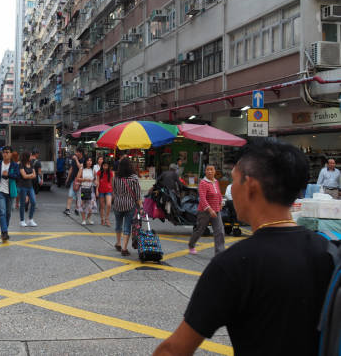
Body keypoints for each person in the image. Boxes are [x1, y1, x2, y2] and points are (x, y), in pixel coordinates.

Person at [154, 138, 335, 355]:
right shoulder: (329, 251)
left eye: (234, 180)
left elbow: (174, 350)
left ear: (250, 186)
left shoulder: (233, 265)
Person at [188, 165, 225, 255]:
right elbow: (203, 199)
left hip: (216, 210)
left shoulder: (216, 182)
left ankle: (220, 253)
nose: (209, 171)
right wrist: (210, 210)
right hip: (204, 211)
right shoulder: (203, 183)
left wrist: (221, 203)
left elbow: (219, 194)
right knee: (200, 230)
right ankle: (191, 245)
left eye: (211, 170)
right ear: (205, 171)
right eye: (207, 170)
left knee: (219, 231)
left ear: (215, 171)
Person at [112, 158, 140, 256]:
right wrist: (140, 204)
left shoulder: (116, 177)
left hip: (117, 204)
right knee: (127, 226)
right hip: (130, 205)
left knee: (118, 224)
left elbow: (114, 191)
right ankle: (124, 248)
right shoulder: (134, 178)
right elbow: (137, 194)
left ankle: (118, 243)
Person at [0, 146, 20, 241]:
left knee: (8, 213)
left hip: (10, 192)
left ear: (11, 154)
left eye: (7, 152)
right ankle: (4, 232)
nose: (5, 154)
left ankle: (5, 229)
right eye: (4, 152)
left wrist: (8, 175)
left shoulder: (15, 165)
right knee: (2, 212)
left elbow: (17, 177)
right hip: (0, 191)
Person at [17, 151, 38, 227]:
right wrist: (30, 175)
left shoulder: (31, 164)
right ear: (26, 157)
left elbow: (34, 175)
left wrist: (29, 175)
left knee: (33, 202)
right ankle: (22, 220)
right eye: (30, 156)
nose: (31, 157)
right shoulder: (21, 165)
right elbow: (24, 176)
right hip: (22, 187)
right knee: (22, 204)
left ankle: (30, 219)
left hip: (30, 186)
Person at [64, 147, 84, 216]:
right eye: (76, 152)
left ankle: (77, 209)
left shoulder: (83, 160)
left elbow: (80, 167)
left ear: (80, 153)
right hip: (73, 179)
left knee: (78, 196)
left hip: (80, 180)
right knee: (70, 194)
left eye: (77, 152)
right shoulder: (74, 160)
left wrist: (76, 160)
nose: (75, 153)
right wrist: (67, 178)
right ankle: (68, 209)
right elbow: (71, 169)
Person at [77, 157, 97, 225]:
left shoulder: (93, 170)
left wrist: (95, 181)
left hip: (90, 190)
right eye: (88, 160)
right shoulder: (82, 169)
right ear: (86, 162)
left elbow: (95, 179)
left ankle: (88, 218)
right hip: (83, 189)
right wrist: (85, 180)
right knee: (82, 204)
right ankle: (83, 219)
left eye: (91, 160)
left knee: (92, 205)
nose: (89, 162)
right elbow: (77, 178)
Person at [96, 159, 114, 226]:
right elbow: (97, 182)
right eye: (104, 165)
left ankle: (107, 218)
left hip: (109, 190)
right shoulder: (99, 172)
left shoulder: (111, 173)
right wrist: (97, 190)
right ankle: (102, 219)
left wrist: (113, 191)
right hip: (101, 190)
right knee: (102, 206)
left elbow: (112, 182)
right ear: (102, 166)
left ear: (108, 166)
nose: (105, 167)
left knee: (109, 204)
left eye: (106, 166)